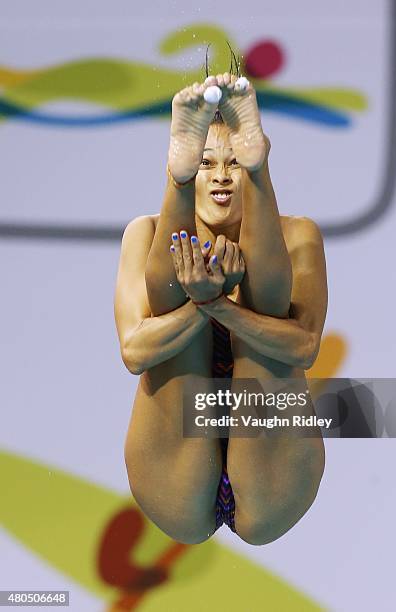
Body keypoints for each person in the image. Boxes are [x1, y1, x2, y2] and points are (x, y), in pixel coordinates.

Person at [114, 71, 328, 545]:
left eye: (236, 163)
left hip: (272, 453)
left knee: (265, 308)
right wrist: (202, 303)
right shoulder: (144, 234)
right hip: (174, 458)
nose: (222, 177)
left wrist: (223, 308)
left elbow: (304, 347)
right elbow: (134, 353)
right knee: (173, 294)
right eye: (206, 164)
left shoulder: (298, 235)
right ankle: (179, 175)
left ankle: (255, 168)